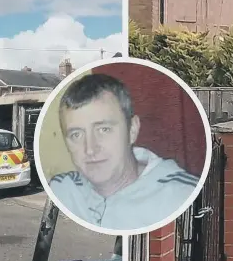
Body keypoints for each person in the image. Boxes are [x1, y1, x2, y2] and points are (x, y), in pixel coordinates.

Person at [48, 73, 199, 231]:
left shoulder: (181, 196)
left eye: (104, 129)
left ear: (132, 130)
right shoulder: (62, 188)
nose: (90, 149)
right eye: (76, 134)